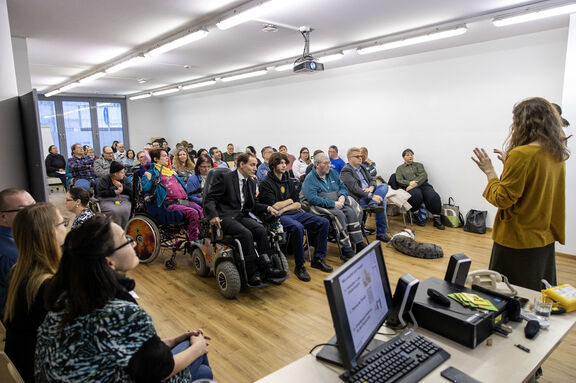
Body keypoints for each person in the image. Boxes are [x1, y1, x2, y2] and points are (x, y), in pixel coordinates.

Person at [35, 215, 212, 382]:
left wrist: (172, 341)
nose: (134, 243)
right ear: (109, 262)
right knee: (200, 359)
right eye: (126, 240)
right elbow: (160, 371)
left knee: (200, 370)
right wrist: (197, 348)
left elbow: (123, 349)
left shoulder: (66, 299)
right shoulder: (121, 312)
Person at [471, 97, 568, 290]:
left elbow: (502, 198)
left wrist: (490, 171)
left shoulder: (521, 154)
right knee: (536, 294)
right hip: (543, 237)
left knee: (510, 294)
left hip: (518, 239)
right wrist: (510, 165)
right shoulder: (556, 153)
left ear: (525, 122)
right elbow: (535, 186)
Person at [3, 203, 67, 383]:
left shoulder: (18, 272)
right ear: (52, 232)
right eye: (63, 223)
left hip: (24, 365)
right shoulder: (51, 287)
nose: (66, 228)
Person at [204, 152, 284, 286]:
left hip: (240, 215)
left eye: (256, 165)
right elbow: (210, 199)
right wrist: (213, 215)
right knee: (246, 234)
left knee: (260, 229)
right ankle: (252, 273)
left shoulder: (251, 182)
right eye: (252, 165)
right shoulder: (226, 178)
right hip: (225, 216)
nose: (255, 168)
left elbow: (252, 205)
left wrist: (267, 208)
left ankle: (267, 268)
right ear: (241, 164)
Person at [259, 152, 331, 282]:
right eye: (280, 163)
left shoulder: (288, 180)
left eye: (284, 163)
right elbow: (274, 206)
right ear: (273, 165)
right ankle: (300, 266)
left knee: (324, 222)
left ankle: (318, 259)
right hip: (276, 218)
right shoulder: (266, 183)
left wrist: (286, 206)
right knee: (297, 227)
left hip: (293, 213)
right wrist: (289, 201)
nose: (284, 165)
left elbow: (298, 202)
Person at [302, 153, 364, 260]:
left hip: (337, 201)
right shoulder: (310, 178)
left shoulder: (332, 173)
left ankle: (358, 243)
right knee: (338, 215)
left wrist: (342, 197)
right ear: (317, 164)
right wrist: (333, 204)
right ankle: (346, 247)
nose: (328, 165)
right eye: (325, 163)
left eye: (329, 162)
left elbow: (342, 187)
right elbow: (312, 198)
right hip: (319, 205)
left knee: (350, 211)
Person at [142, 149, 203, 241]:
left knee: (201, 209)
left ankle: (202, 236)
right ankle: (193, 241)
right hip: (170, 204)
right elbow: (146, 188)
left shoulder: (170, 172)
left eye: (167, 155)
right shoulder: (151, 173)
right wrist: (150, 178)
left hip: (183, 201)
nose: (167, 157)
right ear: (155, 159)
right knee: (193, 212)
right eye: (163, 156)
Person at [341, 147, 390, 242]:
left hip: (369, 194)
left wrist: (371, 188)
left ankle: (373, 204)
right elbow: (355, 189)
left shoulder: (362, 167)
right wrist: (371, 196)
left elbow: (372, 180)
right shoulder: (346, 171)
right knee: (381, 201)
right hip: (359, 198)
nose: (360, 158)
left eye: (361, 156)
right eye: (357, 156)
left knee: (384, 186)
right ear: (350, 158)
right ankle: (381, 234)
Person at [0, 188, 36, 317]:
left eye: (34, 206)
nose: (35, 213)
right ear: (3, 216)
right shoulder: (12, 255)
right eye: (24, 210)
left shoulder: (20, 239)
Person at [395, 148, 444, 230]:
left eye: (411, 154)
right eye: (407, 155)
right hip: (409, 186)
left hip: (423, 184)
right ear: (403, 157)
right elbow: (399, 180)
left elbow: (423, 175)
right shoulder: (400, 168)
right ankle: (416, 215)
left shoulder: (419, 165)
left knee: (433, 196)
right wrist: (409, 183)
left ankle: (437, 219)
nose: (410, 156)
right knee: (415, 195)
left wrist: (415, 184)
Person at [96, 161, 132, 228]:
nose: (124, 174)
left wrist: (122, 186)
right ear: (115, 174)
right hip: (107, 200)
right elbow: (101, 193)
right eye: (122, 172)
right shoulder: (105, 179)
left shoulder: (124, 179)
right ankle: (114, 229)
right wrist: (115, 191)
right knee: (115, 211)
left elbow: (130, 190)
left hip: (123, 199)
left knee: (126, 210)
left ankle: (125, 229)